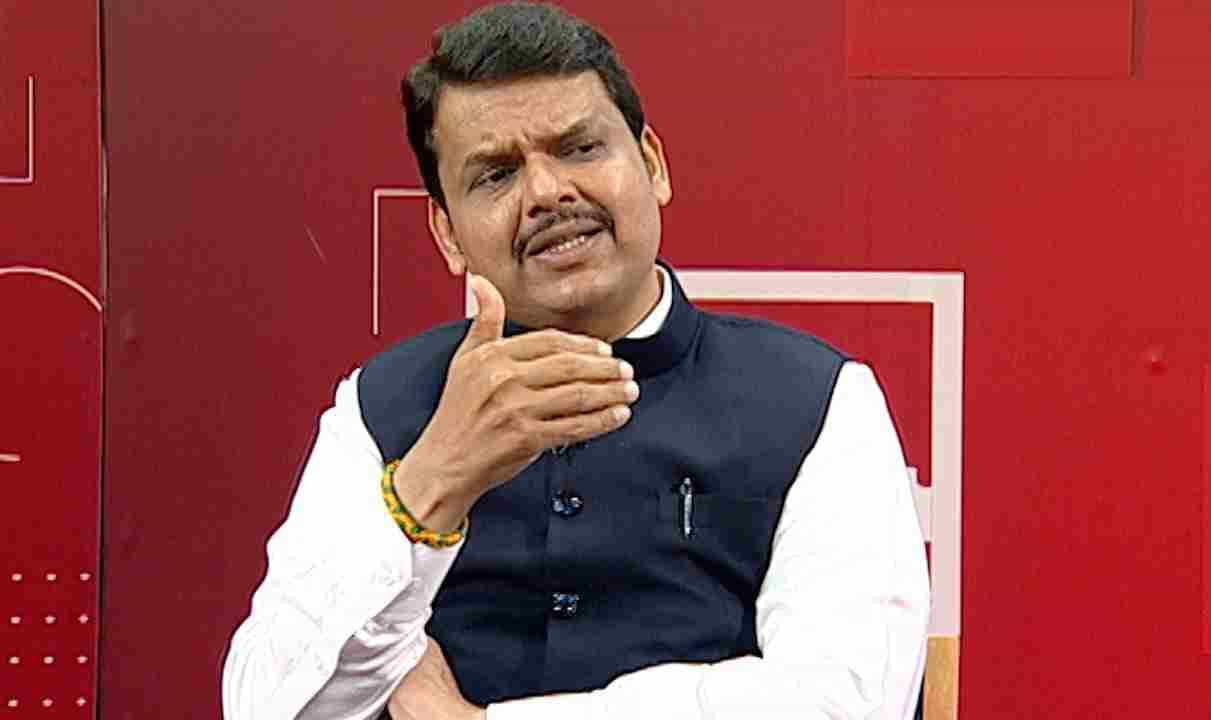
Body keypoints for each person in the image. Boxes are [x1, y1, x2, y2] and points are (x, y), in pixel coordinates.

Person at [221, 3, 929, 719]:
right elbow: (267, 707)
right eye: (495, 175)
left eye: (581, 149)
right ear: (447, 233)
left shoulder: (816, 401)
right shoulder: (380, 409)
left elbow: (842, 703)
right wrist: (430, 485)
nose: (547, 193)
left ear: (652, 165)